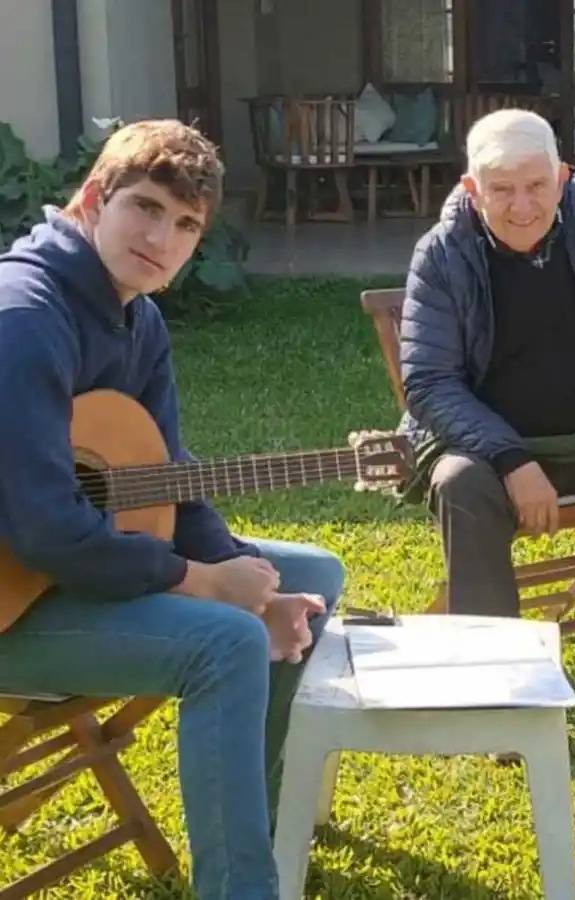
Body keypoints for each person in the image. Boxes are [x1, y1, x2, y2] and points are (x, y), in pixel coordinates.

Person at [0, 119, 344, 900]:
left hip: (69, 574)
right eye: (146, 208)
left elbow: (166, 476)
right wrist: (200, 583)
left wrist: (235, 570)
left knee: (312, 576)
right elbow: (45, 525)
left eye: (186, 224)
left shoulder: (136, 317)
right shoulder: (23, 317)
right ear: (94, 199)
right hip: (12, 608)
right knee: (223, 641)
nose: (163, 237)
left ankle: (251, 826)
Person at [399, 107, 575, 619]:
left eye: (536, 185)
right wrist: (512, 459)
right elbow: (429, 382)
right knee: (458, 481)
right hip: (492, 451)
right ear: (472, 188)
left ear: (561, 178)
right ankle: (494, 673)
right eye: (502, 189)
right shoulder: (442, 255)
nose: (523, 206)